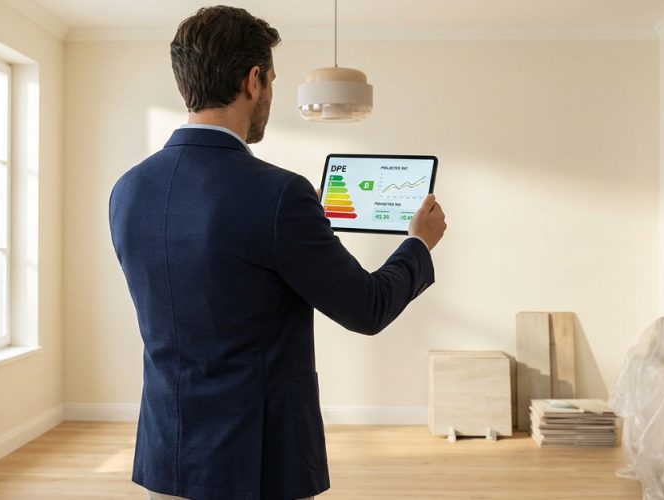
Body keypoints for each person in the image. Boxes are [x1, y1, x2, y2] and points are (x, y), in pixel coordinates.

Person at [109, 6, 447, 500]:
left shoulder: (128, 189)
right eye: (271, 81)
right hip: (255, 462)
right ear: (253, 81)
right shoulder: (279, 195)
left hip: (167, 453)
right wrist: (418, 242)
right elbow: (368, 308)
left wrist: (298, 228)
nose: (270, 93)